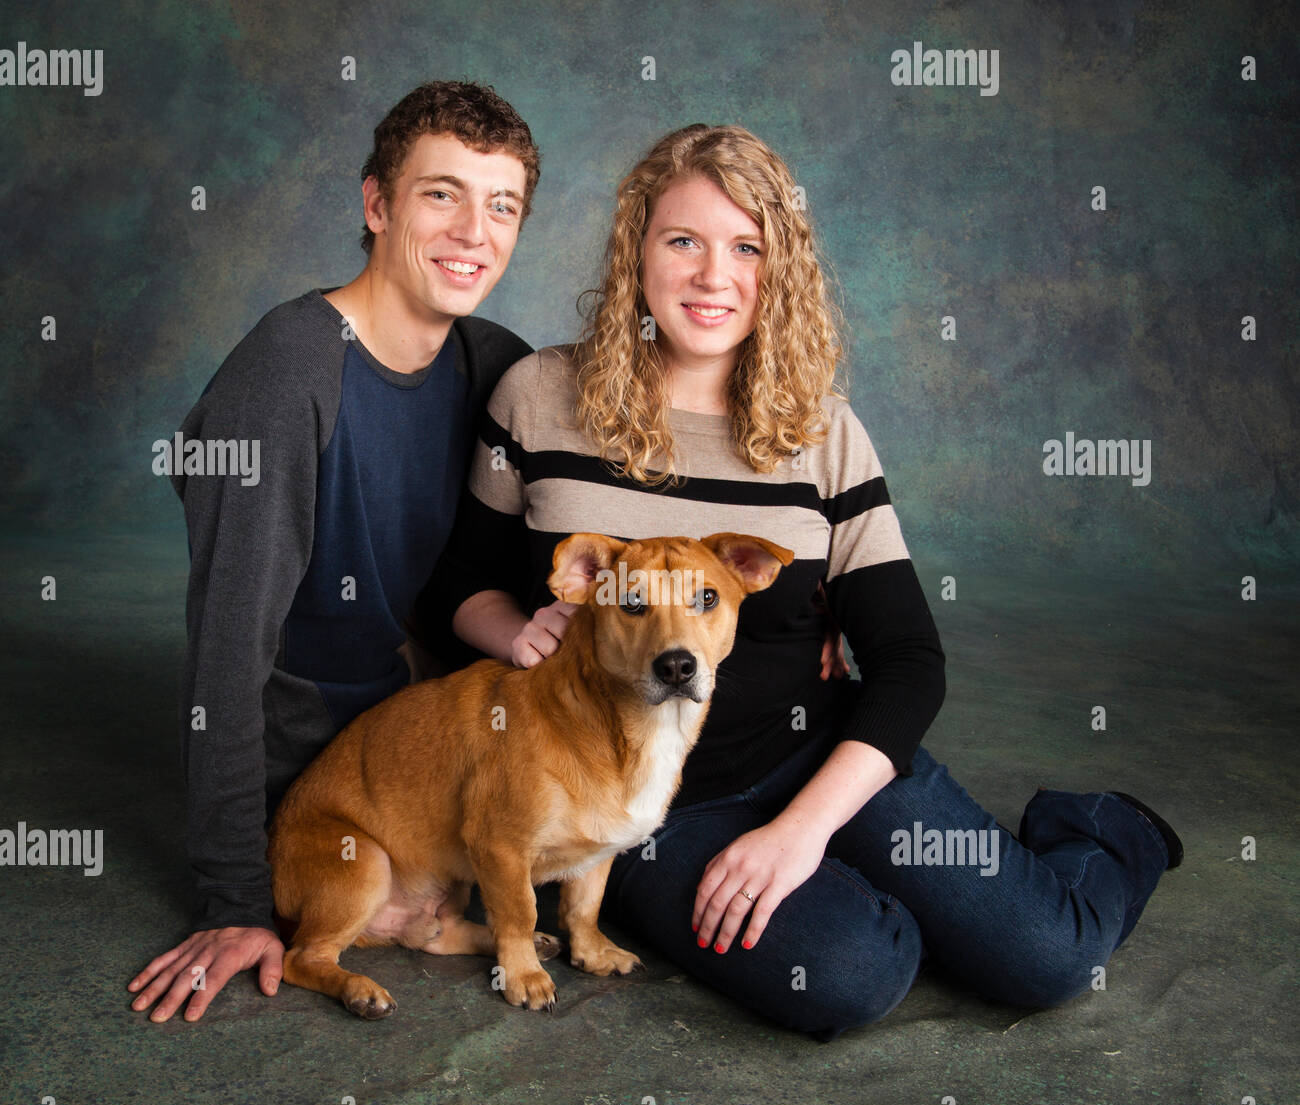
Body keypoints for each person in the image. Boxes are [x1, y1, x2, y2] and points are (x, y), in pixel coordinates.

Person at [432, 123, 1182, 1040]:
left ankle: (1100, 824)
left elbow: (909, 659)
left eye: (746, 247)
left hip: (817, 760)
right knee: (849, 973)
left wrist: (805, 831)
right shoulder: (538, 396)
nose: (715, 277)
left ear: (776, 268)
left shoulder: (819, 432)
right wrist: (515, 632)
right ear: (637, 252)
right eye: (685, 242)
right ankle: (870, 908)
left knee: (1050, 957)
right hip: (641, 808)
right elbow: (460, 587)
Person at [129, 82, 541, 1023]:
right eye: (442, 194)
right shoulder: (287, 377)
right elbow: (224, 660)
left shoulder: (492, 363)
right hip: (323, 791)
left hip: (421, 747)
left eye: (502, 204)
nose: (473, 230)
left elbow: (598, 476)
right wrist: (236, 899)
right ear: (376, 204)